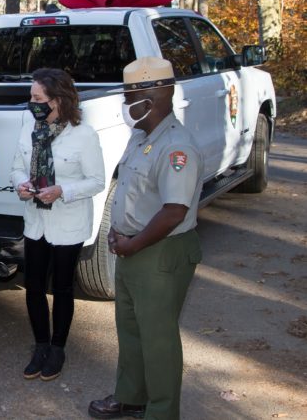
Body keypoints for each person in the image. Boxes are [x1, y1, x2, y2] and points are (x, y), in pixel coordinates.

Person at [88, 57, 203, 420]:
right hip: (132, 248)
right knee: (131, 329)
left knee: (158, 339)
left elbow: (174, 212)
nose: (126, 103)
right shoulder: (141, 136)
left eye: (130, 94)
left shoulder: (176, 147)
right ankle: (132, 396)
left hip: (159, 253)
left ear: (154, 96)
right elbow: (129, 192)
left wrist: (133, 244)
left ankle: (162, 412)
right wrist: (118, 234)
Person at [10, 68, 105, 381]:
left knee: (62, 287)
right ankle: (40, 345)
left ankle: (58, 348)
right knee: (33, 286)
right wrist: (22, 185)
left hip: (68, 223)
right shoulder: (29, 128)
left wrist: (63, 190)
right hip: (35, 221)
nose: (32, 103)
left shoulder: (84, 135)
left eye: (38, 98)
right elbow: (15, 169)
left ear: (59, 101)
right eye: (31, 97)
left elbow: (96, 181)